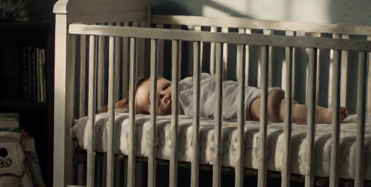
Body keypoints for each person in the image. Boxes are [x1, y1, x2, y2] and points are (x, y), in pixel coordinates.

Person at [115, 74, 346, 125]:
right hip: (245, 106)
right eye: (156, 101)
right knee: (286, 110)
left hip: (243, 100)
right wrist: (119, 106)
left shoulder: (188, 82)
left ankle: (324, 114)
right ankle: (323, 114)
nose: (165, 96)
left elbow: (212, 80)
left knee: (285, 110)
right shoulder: (181, 114)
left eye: (164, 87)